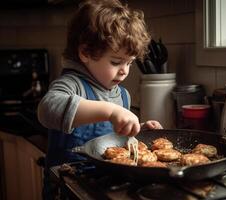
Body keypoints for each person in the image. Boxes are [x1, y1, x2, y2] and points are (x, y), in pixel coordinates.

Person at [37, 0, 162, 199]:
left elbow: (114, 140)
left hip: (103, 185)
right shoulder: (73, 83)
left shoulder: (122, 94)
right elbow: (47, 109)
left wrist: (138, 129)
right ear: (85, 52)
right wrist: (111, 111)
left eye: (129, 63)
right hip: (68, 187)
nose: (124, 71)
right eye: (116, 62)